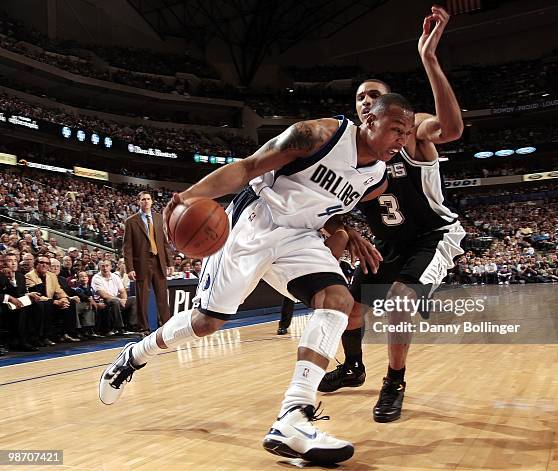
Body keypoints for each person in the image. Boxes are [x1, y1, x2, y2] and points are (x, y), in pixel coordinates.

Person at [98, 93, 414, 465]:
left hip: (301, 238)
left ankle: (293, 417)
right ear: (370, 122)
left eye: (408, 134)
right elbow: (247, 168)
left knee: (338, 301)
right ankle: (134, 355)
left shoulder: (377, 177)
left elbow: (327, 203)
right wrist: (188, 197)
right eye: (396, 130)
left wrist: (348, 230)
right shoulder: (317, 135)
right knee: (206, 322)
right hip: (256, 222)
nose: (402, 140)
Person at [318, 5, 466, 424]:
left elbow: (452, 129)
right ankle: (353, 366)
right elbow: (332, 207)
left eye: (374, 94)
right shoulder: (349, 153)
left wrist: (429, 60)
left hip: (431, 236)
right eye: (360, 97)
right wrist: (343, 229)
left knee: (400, 301)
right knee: (348, 307)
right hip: (387, 242)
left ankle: (394, 381)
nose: (367, 100)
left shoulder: (411, 129)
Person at [123, 191, 174, 332]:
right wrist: (129, 268)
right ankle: (143, 328)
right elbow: (127, 247)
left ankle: (166, 327)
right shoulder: (131, 221)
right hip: (141, 264)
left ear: (152, 201)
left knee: (163, 298)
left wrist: (170, 263)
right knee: (142, 300)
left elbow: (164, 243)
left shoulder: (159, 218)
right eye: (143, 199)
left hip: (159, 262)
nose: (146, 201)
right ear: (139, 202)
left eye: (148, 199)